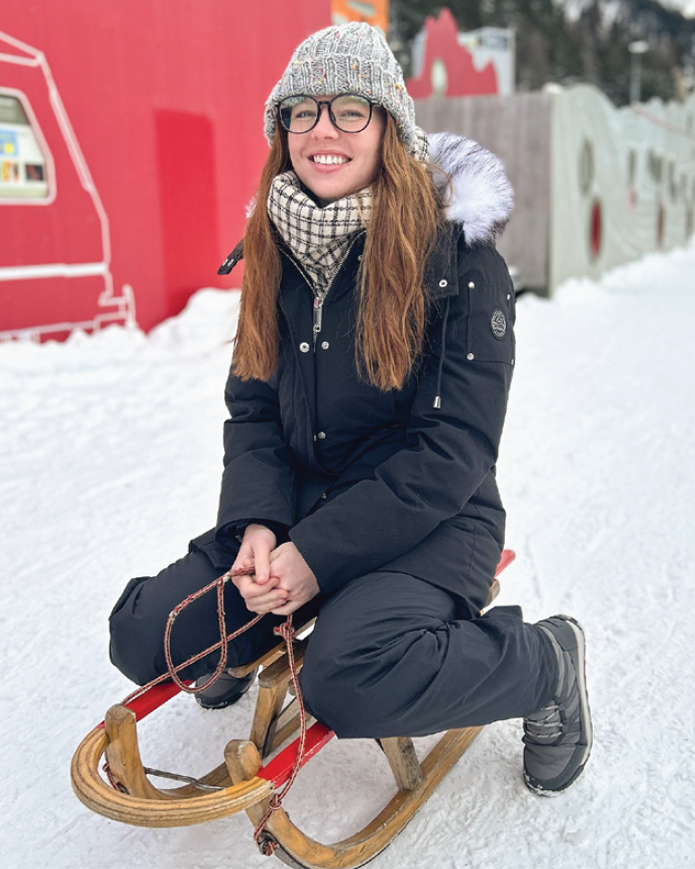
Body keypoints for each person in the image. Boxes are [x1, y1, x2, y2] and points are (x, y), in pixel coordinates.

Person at [108, 22, 592, 796]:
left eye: (348, 111)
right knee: (143, 634)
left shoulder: (459, 262)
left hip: (432, 520)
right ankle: (242, 636)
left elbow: (453, 452)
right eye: (302, 111)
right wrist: (260, 525)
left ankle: (545, 662)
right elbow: (254, 408)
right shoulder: (274, 248)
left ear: (389, 127)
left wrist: (316, 558)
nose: (322, 130)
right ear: (281, 131)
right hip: (297, 504)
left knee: (346, 679)